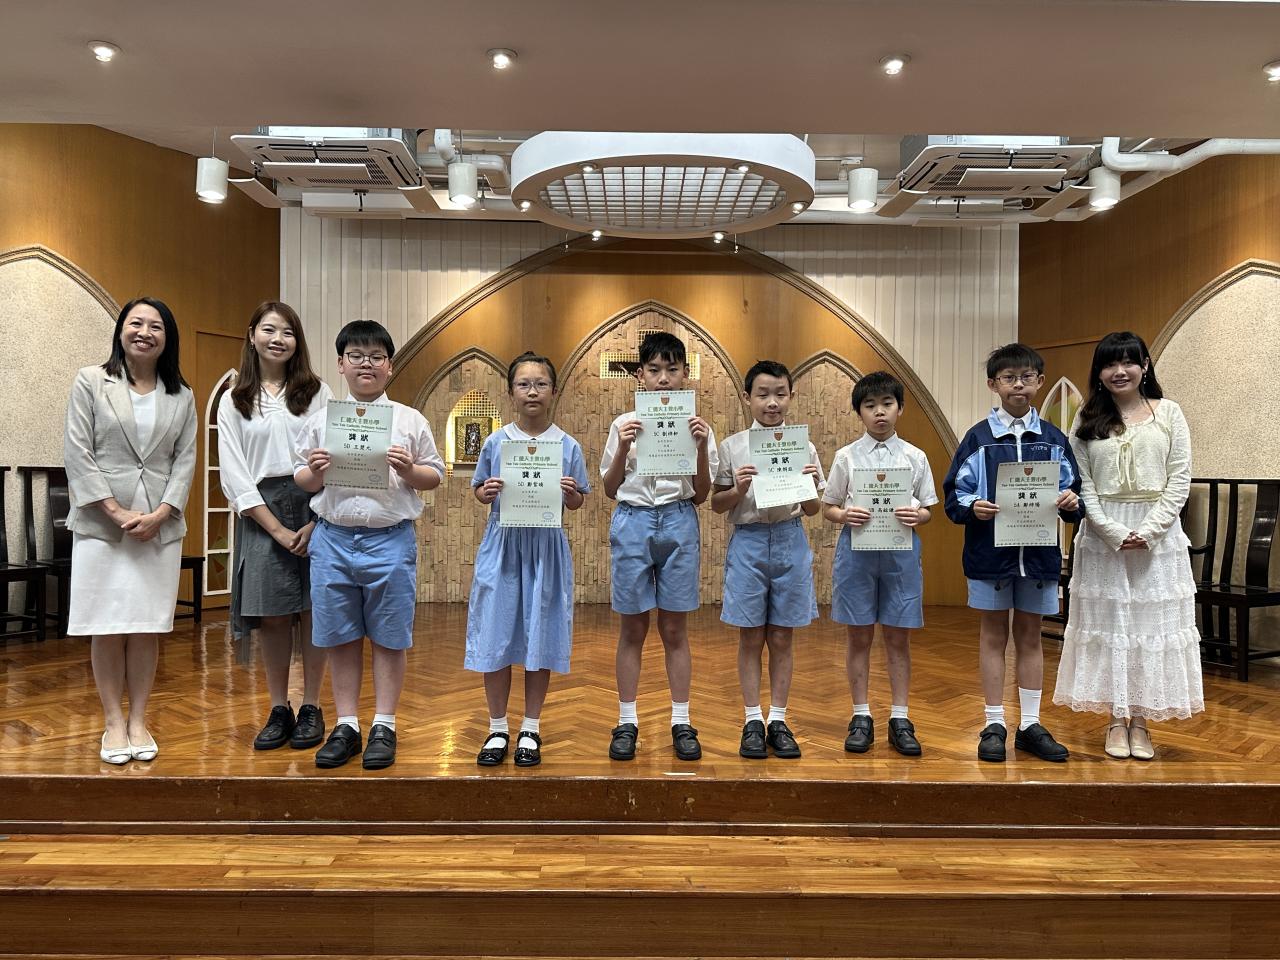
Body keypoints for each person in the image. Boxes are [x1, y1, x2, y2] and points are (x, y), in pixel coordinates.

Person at [293, 320, 443, 770]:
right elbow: (302, 479)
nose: (366, 364)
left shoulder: (409, 420)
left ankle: (384, 724)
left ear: (389, 367)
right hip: (333, 539)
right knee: (340, 637)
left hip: (389, 540)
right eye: (356, 356)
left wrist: (410, 470)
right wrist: (315, 471)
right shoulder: (322, 421)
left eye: (376, 357)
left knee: (389, 637)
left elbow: (434, 476)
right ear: (340, 364)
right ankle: (347, 725)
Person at [1053, 331, 1203, 760]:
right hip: (1104, 538)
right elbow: (1082, 483)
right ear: (1099, 372)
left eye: (1128, 362)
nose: (1119, 371)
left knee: (1148, 629)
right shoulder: (1086, 418)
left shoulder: (1169, 412)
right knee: (1112, 627)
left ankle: (1141, 722)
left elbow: (1180, 478)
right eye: (1109, 364)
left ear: (1144, 366)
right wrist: (1113, 532)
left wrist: (1150, 530)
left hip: (1159, 537)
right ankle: (1116, 719)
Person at [63, 297, 197, 764]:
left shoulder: (182, 395)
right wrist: (116, 511)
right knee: (106, 625)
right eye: (135, 323)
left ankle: (139, 719)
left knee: (145, 627)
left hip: (158, 529)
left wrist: (162, 513)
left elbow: (185, 461)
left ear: (167, 337)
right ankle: (113, 723)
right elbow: (78, 452)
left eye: (155, 326)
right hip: (102, 527)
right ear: (121, 331)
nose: (144, 332)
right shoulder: (91, 381)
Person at [943, 343, 1083, 763]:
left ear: (1040, 382)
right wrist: (973, 507)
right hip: (990, 557)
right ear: (993, 384)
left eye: (1026, 377)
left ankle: (1030, 725)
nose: (1018, 384)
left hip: (1038, 557)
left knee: (1030, 637)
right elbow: (954, 496)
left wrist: (1071, 502)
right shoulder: (978, 438)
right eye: (1008, 377)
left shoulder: (1054, 440)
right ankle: (993, 723)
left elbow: (1075, 493)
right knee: (992, 636)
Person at [218, 301, 332, 751]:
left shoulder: (317, 392)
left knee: (315, 608)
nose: (278, 339)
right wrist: (278, 531)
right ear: (252, 335)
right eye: (269, 330)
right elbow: (234, 474)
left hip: (315, 505)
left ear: (297, 341)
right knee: (274, 614)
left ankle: (313, 706)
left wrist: (316, 520)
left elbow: (333, 456)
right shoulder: (235, 399)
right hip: (261, 512)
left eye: (287, 332)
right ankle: (279, 707)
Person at [469, 352, 590, 767]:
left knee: (541, 634)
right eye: (524, 384)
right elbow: (479, 489)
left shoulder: (568, 445)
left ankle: (531, 728)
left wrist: (571, 495)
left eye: (540, 383)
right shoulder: (496, 442)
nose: (532, 391)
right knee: (495, 634)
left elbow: (576, 502)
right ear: (511, 393)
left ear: (553, 391)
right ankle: (497, 727)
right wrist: (485, 492)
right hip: (503, 545)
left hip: (546, 548)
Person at [600, 332, 717, 761]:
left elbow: (701, 494)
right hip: (633, 519)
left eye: (672, 369)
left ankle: (681, 720)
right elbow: (610, 488)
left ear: (685, 373)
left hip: (679, 517)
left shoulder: (698, 425)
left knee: (674, 630)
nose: (663, 378)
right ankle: (626, 720)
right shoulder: (623, 423)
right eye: (654, 370)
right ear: (640, 375)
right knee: (632, 629)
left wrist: (700, 447)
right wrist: (623, 447)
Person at [711, 360, 823, 759]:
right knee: (750, 636)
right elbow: (717, 504)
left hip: (791, 538)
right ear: (747, 398)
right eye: (763, 394)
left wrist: (810, 485)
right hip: (750, 541)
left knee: (781, 636)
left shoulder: (803, 446)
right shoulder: (733, 446)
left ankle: (778, 719)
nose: (771, 403)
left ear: (790, 397)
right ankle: (752, 720)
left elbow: (813, 509)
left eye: (780, 394)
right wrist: (738, 489)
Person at [823, 371, 938, 757]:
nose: (879, 412)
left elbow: (928, 508)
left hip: (900, 553)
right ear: (859, 412)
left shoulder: (915, 456)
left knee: (898, 638)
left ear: (900, 408)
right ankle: (860, 715)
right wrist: (844, 515)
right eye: (870, 405)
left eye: (887, 404)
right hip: (856, 552)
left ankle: (900, 717)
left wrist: (917, 516)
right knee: (858, 637)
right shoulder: (846, 456)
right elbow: (828, 506)